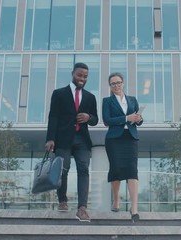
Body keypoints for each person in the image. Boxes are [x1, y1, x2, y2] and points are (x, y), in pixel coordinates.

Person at [45, 62, 98, 222]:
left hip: (82, 139)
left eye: (85, 76)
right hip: (63, 139)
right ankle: (62, 200)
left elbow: (95, 119)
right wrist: (50, 138)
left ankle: (82, 207)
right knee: (63, 168)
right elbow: (53, 117)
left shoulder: (90, 97)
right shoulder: (59, 93)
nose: (82, 78)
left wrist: (89, 117)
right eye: (80, 75)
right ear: (73, 74)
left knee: (83, 170)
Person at [102, 72, 143, 223]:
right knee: (116, 169)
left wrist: (138, 118)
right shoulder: (107, 101)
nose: (116, 85)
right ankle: (116, 200)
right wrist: (126, 118)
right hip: (114, 139)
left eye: (118, 82)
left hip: (130, 138)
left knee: (132, 171)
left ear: (123, 83)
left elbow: (138, 120)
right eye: (113, 83)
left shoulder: (132, 100)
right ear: (110, 86)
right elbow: (107, 120)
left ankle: (134, 208)